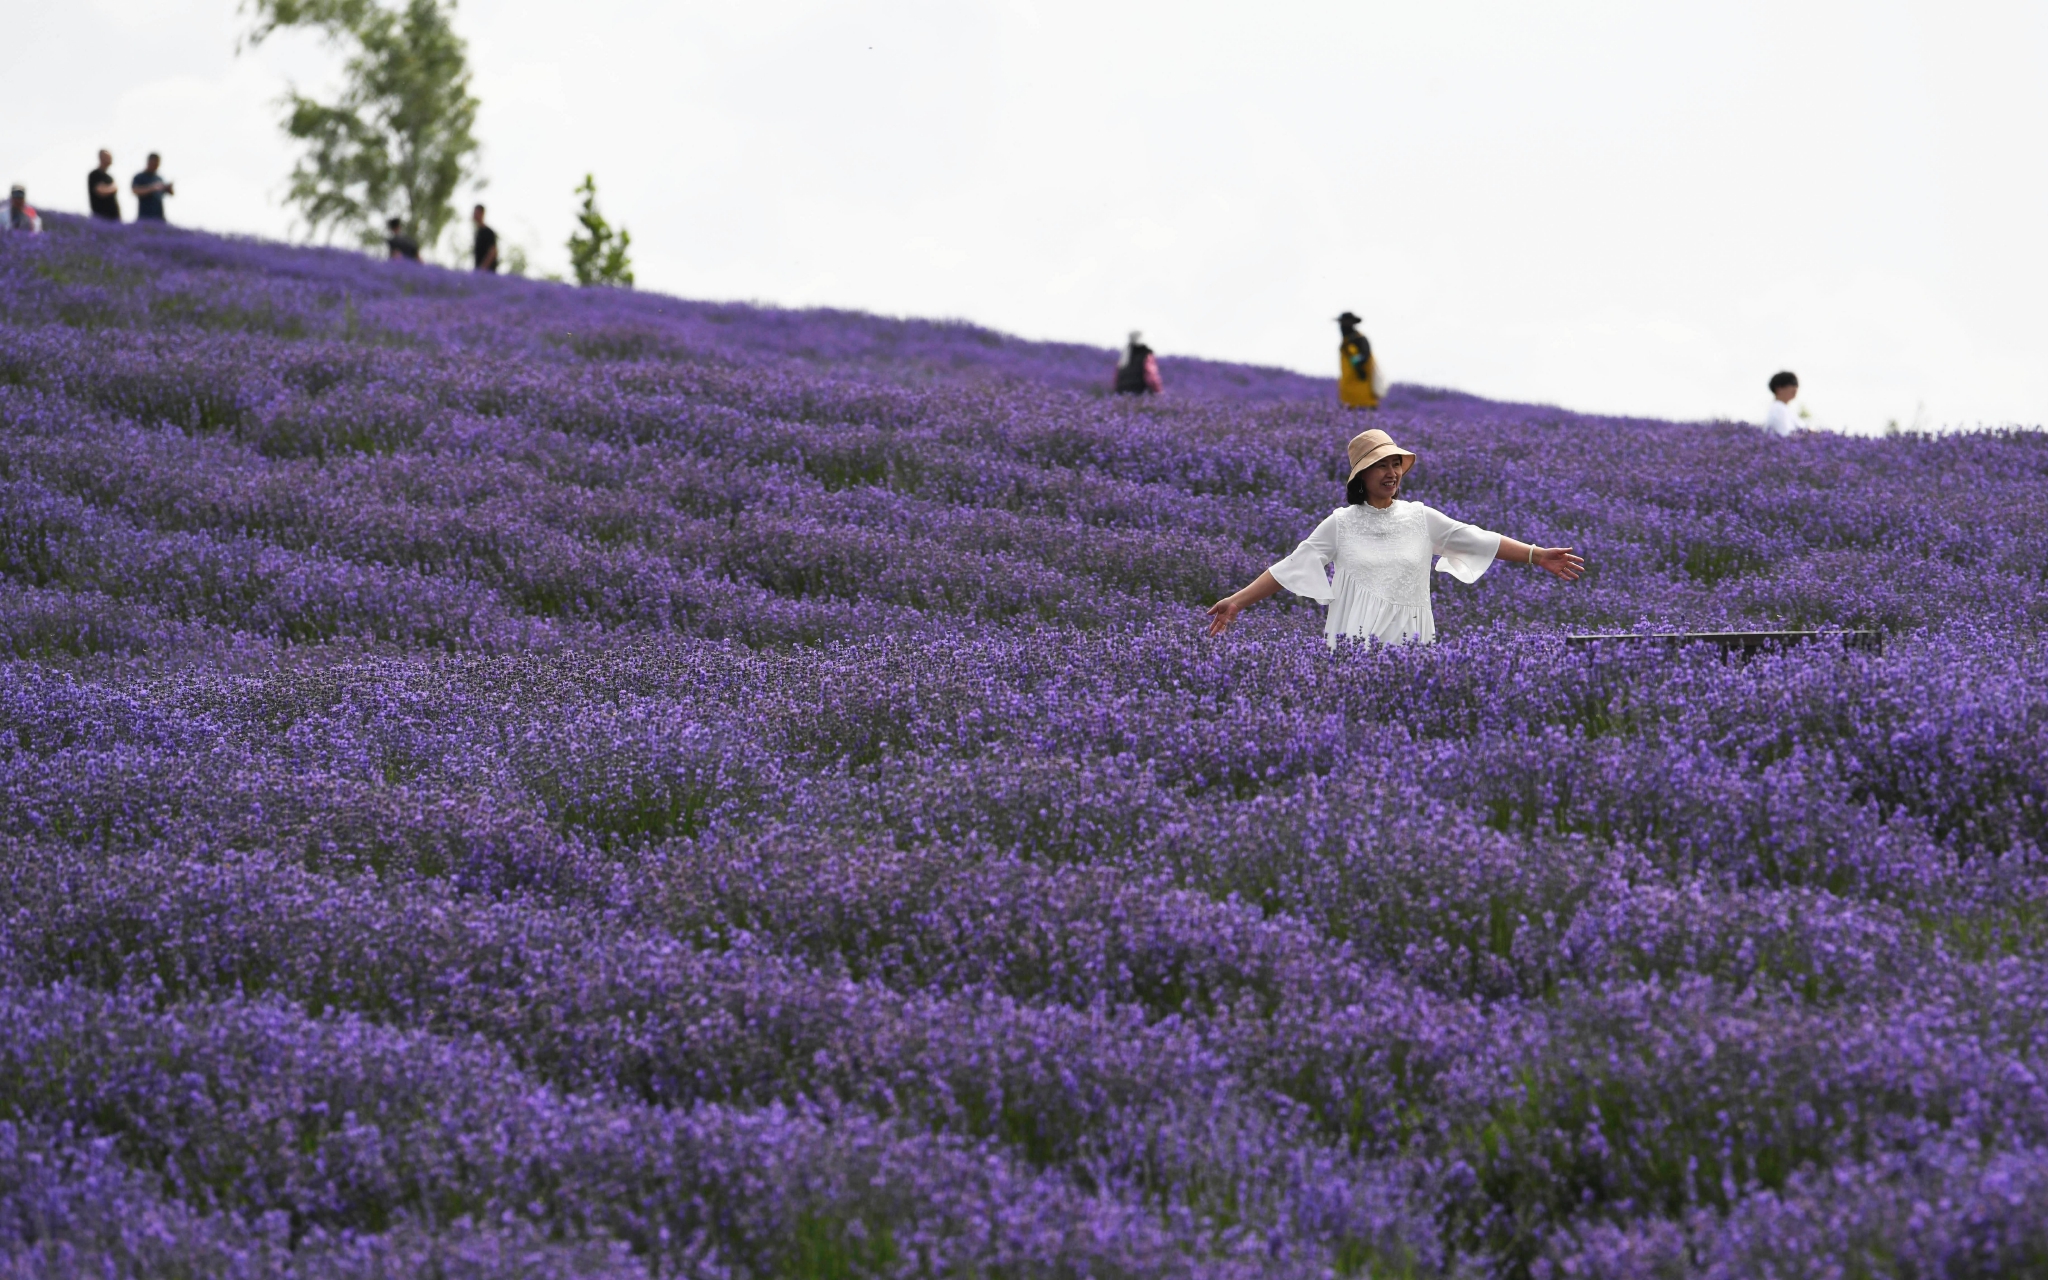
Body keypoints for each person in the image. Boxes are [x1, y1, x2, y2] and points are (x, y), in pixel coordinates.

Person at [1205, 428, 1584, 647]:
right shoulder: (1340, 523)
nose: (1391, 473)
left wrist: (1536, 555)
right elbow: (1292, 566)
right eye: (1380, 466)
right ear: (1361, 477)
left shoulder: (1420, 517)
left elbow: (1477, 539)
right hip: (1352, 640)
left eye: (1394, 464)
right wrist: (1237, 602)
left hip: (1412, 636)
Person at [1337, 311, 1383, 410]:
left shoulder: (1360, 339)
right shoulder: (1345, 342)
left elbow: (1365, 355)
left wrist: (1358, 366)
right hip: (1348, 389)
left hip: (1363, 389)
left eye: (1343, 324)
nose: (1341, 327)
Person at [1114, 331, 1162, 395]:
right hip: (1140, 392)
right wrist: (1159, 392)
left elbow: (1116, 379)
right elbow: (1152, 378)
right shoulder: (1146, 356)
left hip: (1122, 394)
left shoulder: (1124, 356)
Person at [131, 154, 173, 222]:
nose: (156, 166)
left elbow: (171, 194)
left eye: (157, 164)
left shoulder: (159, 178)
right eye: (154, 163)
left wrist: (168, 188)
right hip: (145, 215)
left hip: (159, 216)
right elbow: (135, 190)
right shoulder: (139, 177)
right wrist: (152, 188)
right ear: (149, 162)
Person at [1765, 371, 1800, 436]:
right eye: (1792, 384)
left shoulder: (1785, 408)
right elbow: (1786, 435)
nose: (1795, 388)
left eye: (1797, 385)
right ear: (1779, 388)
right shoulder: (1778, 409)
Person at [88, 151, 121, 221]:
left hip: (113, 217)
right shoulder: (94, 175)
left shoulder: (109, 178)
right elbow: (100, 191)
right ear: (101, 158)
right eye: (108, 158)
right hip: (101, 216)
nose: (110, 161)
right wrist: (113, 188)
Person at [471, 204, 498, 272]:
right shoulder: (478, 233)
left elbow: (493, 252)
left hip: (486, 274)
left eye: (476, 213)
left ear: (482, 214)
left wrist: (482, 269)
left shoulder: (488, 232)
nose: (474, 215)